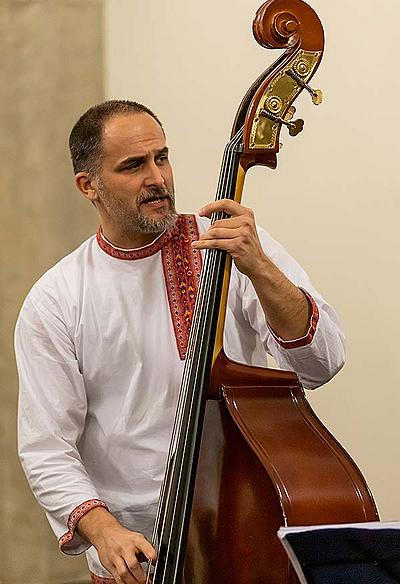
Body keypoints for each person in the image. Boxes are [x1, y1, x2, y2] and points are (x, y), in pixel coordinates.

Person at [15, 100, 345, 584]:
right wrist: (105, 532)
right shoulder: (56, 299)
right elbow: (46, 448)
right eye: (133, 165)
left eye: (161, 157)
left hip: (248, 535)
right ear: (89, 186)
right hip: (140, 561)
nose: (158, 178)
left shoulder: (235, 246)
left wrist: (260, 268)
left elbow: (323, 362)